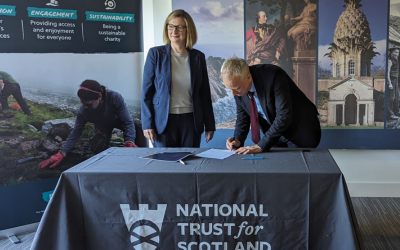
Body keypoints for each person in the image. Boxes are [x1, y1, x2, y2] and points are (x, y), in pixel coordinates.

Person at [141, 9, 215, 147]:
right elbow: (146, 93)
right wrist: (147, 124)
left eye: (180, 27)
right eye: (171, 26)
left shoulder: (198, 57)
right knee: (164, 164)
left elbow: (204, 94)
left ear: (188, 30)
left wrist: (210, 125)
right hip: (163, 121)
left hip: (191, 121)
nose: (174, 31)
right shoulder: (155, 54)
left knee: (190, 162)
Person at [221, 57, 320, 154]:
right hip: (275, 137)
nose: (233, 94)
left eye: (236, 88)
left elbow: (284, 115)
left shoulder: (274, 75)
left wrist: (261, 145)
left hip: (299, 132)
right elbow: (243, 117)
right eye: (230, 89)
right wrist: (237, 139)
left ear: (248, 77)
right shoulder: (237, 86)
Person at [38, 80, 137, 168]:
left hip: (119, 121)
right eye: (82, 103)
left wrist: (129, 141)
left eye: (88, 104)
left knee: (138, 137)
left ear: (99, 96)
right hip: (103, 125)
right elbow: (76, 133)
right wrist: (61, 153)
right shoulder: (83, 112)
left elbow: (127, 121)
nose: (84, 107)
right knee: (97, 147)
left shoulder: (114, 98)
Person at [387, 47, 400, 120]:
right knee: (391, 98)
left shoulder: (396, 60)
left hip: (396, 80)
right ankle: (390, 114)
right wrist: (389, 83)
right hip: (391, 80)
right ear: (391, 53)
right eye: (395, 52)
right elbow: (388, 72)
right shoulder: (390, 61)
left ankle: (397, 111)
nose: (396, 54)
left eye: (397, 52)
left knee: (397, 97)